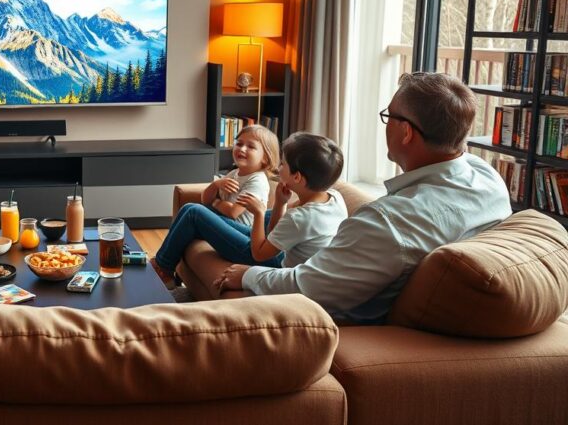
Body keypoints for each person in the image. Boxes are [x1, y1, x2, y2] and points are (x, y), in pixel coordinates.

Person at [215, 72, 513, 324]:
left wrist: (249, 275)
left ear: (406, 132)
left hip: (338, 325)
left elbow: (307, 285)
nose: (387, 125)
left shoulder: (387, 221)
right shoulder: (487, 177)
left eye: (389, 117)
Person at [149, 125, 279, 289]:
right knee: (189, 208)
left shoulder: (257, 181)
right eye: (239, 143)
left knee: (194, 213)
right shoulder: (234, 174)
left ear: (265, 158)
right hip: (228, 224)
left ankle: (162, 268)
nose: (242, 149)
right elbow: (205, 200)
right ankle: (162, 265)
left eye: (251, 146)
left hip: (242, 232)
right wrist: (216, 184)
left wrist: (216, 203)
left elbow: (233, 212)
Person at [235, 132, 347, 270]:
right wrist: (281, 203)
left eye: (282, 164)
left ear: (297, 177)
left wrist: (259, 214)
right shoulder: (335, 197)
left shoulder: (299, 218)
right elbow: (277, 230)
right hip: (290, 247)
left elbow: (259, 254)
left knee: (199, 212)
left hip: (282, 268)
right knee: (268, 215)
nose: (278, 168)